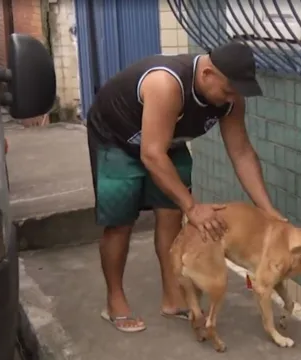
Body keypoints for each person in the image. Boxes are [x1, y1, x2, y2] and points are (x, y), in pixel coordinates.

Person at [86, 41, 286, 333]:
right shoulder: (166, 84)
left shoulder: (230, 99)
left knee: (170, 214)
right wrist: (193, 207)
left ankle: (173, 297)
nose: (232, 98)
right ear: (207, 75)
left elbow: (241, 152)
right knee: (120, 222)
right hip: (118, 139)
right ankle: (114, 299)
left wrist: (267, 210)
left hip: (166, 141)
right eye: (228, 90)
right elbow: (151, 155)